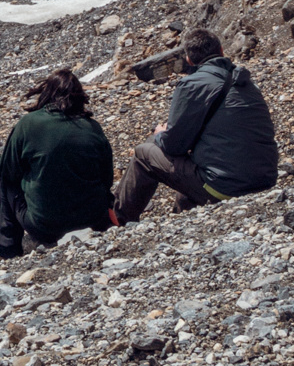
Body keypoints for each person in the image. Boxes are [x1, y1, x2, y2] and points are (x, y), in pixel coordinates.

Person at [115, 28, 279, 222]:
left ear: (189, 60)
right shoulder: (245, 81)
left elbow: (174, 145)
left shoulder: (192, 85)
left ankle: (117, 218)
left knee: (145, 152)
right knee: (191, 179)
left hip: (228, 188)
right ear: (222, 50)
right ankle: (184, 218)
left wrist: (161, 133)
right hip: (265, 180)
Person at [0, 69, 114, 257]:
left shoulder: (30, 123)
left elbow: (7, 171)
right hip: (94, 219)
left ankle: (7, 249)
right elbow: (107, 178)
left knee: (7, 182)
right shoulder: (93, 127)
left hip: (45, 226)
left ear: (47, 93)